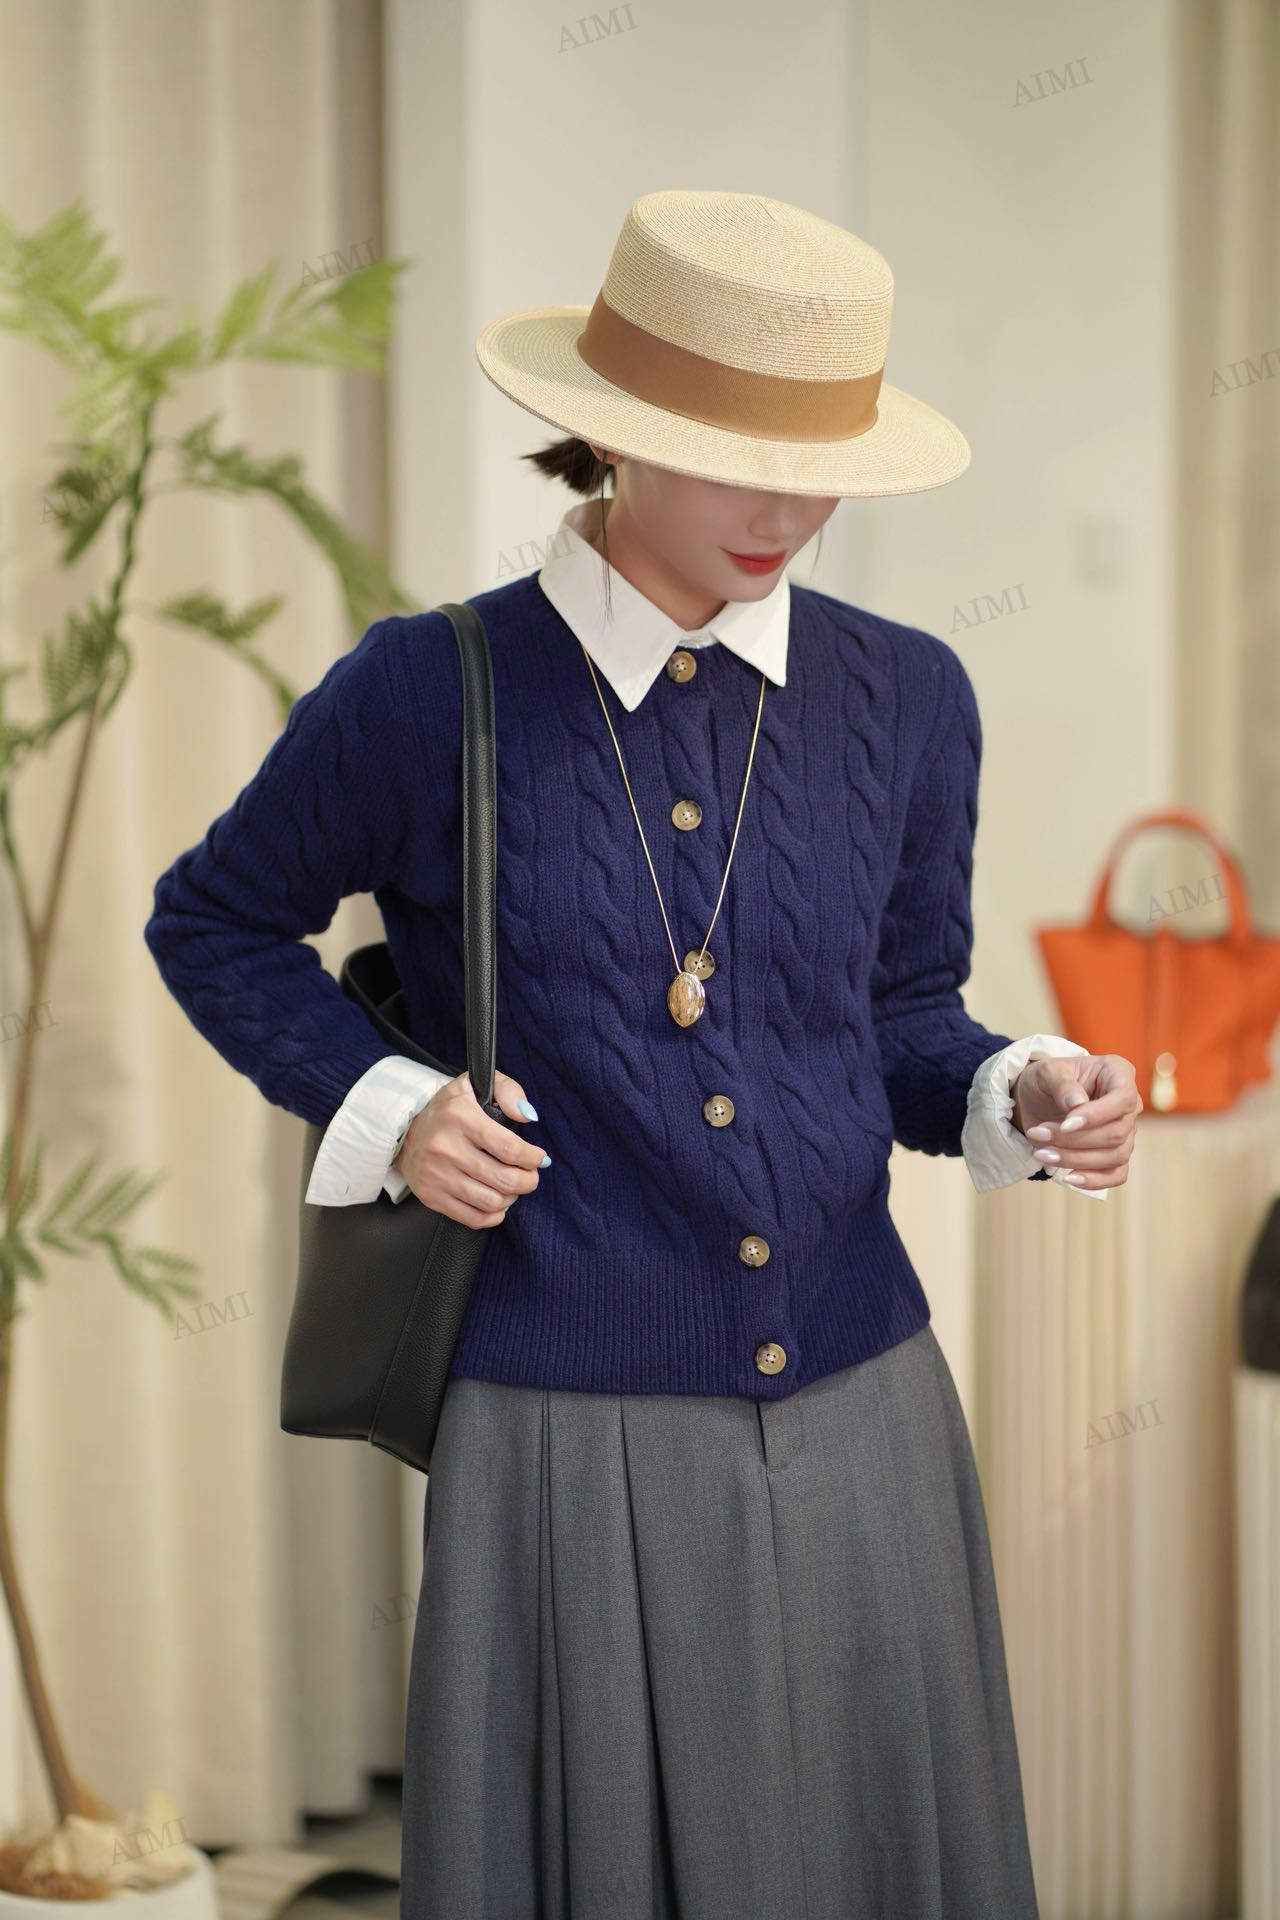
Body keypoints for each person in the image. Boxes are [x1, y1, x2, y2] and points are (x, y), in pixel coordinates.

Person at [144, 190, 1141, 1918]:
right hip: (562, 1413)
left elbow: (904, 1016)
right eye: (738, 461)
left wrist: (1022, 1083)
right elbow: (213, 921)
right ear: (607, 435)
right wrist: (394, 1108)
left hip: (868, 1400)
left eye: (822, 469)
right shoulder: (427, 687)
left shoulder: (910, 697)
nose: (788, 514)